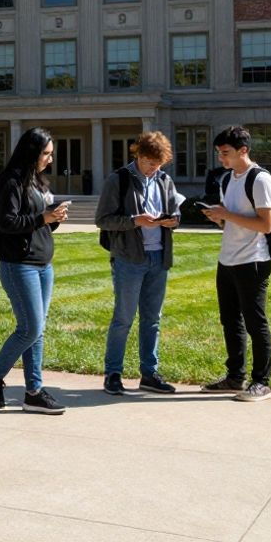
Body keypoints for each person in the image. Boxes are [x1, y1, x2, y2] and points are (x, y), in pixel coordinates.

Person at [0, 127, 70, 415]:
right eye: (46, 153)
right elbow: (7, 223)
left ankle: (33, 392)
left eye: (51, 154)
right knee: (29, 328)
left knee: (37, 331)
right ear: (31, 152)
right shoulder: (10, 181)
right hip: (19, 264)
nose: (50, 160)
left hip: (43, 262)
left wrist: (53, 218)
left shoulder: (39, 181)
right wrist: (43, 216)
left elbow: (37, 222)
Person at [94, 131, 181, 396]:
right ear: (139, 155)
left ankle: (149, 374)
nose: (153, 168)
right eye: (149, 162)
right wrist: (135, 220)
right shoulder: (118, 180)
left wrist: (173, 220)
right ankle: (113, 373)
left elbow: (176, 213)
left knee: (152, 319)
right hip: (129, 259)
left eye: (158, 164)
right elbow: (103, 219)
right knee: (123, 318)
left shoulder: (165, 181)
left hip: (159, 257)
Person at [200, 126, 271, 403]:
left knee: (256, 322)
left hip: (253, 260)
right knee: (230, 320)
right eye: (219, 153)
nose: (221, 158)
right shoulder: (227, 179)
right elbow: (232, 219)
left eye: (226, 153)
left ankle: (261, 382)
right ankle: (235, 377)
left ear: (243, 150)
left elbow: (266, 225)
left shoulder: (260, 179)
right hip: (228, 258)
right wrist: (219, 218)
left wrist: (227, 214)